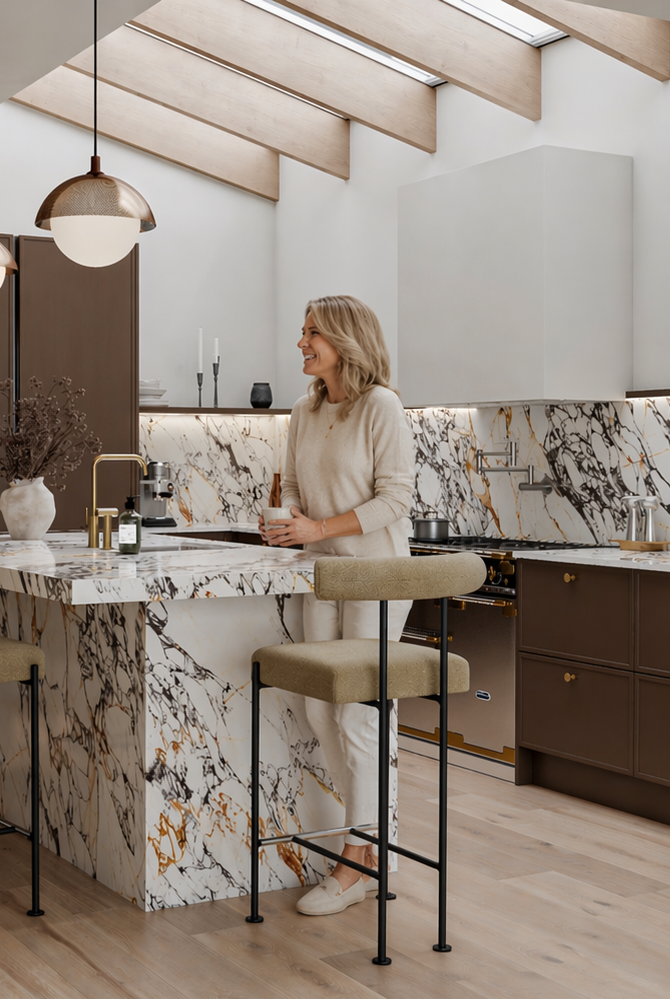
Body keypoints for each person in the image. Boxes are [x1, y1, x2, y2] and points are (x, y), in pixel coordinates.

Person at [261, 295, 414, 917]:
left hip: (375, 574)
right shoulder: (304, 408)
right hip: (322, 574)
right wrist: (287, 519)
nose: (301, 343)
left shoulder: (382, 407)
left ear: (345, 340)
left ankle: (359, 861)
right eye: (302, 332)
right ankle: (376, 851)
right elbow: (292, 481)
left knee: (357, 716)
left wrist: (317, 530)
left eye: (312, 333)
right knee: (319, 710)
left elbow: (395, 499)